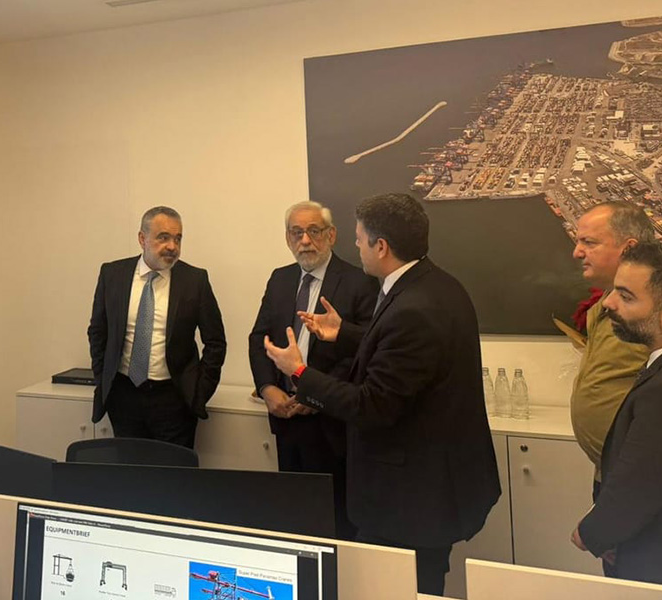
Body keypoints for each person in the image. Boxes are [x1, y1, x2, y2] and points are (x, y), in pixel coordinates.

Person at [263, 193, 499, 595]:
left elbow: (372, 405)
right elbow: (398, 353)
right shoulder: (435, 285)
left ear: (381, 246)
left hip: (410, 496)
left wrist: (299, 372)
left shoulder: (413, 307)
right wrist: (344, 333)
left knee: (405, 587)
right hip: (428, 485)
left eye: (359, 238)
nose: (355, 246)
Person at [248, 201, 378, 539]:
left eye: (314, 231)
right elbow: (258, 339)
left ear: (331, 235)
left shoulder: (359, 281)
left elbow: (363, 352)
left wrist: (316, 392)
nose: (305, 240)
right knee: (295, 518)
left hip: (332, 424)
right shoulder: (280, 279)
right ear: (287, 238)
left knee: (337, 521)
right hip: (286, 416)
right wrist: (267, 389)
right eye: (296, 232)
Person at [573, 242, 662, 587]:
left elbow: (645, 481)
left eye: (626, 296)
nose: (608, 303)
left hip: (660, 560)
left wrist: (593, 533)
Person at [87, 206, 227, 448]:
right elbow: (98, 331)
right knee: (130, 467)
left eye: (178, 238)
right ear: (142, 239)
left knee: (174, 469)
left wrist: (199, 392)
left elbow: (215, 342)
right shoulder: (113, 275)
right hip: (124, 396)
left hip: (174, 399)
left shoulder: (194, 281)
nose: (172, 246)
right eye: (163, 237)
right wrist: (103, 379)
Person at [569, 203, 655, 506]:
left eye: (589, 242)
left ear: (628, 248)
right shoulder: (605, 302)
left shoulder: (658, 308)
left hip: (644, 479)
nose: (577, 252)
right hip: (610, 472)